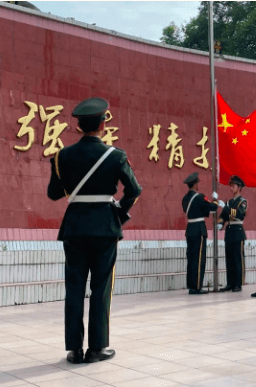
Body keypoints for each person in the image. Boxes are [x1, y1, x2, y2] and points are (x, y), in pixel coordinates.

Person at [47, 97, 142, 364]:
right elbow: (134, 190)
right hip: (105, 226)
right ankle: (97, 348)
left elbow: (54, 194)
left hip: (75, 226)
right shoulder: (116, 155)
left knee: (74, 288)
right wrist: (119, 212)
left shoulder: (62, 156)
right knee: (101, 289)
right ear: (102, 125)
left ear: (79, 126)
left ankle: (74, 350)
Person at [182, 172, 224, 294]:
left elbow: (198, 209)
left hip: (190, 229)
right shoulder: (199, 197)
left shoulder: (185, 199)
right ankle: (197, 286)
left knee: (191, 258)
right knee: (199, 259)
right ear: (195, 185)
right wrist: (215, 200)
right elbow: (212, 207)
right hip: (199, 230)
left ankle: (191, 285)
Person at [217, 175, 247, 292]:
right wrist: (220, 223)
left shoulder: (242, 202)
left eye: (233, 186)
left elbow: (239, 214)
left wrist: (226, 208)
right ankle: (230, 283)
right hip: (229, 232)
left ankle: (238, 284)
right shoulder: (229, 202)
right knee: (229, 259)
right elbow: (223, 216)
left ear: (239, 188)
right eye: (231, 186)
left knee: (237, 259)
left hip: (238, 231)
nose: (231, 188)